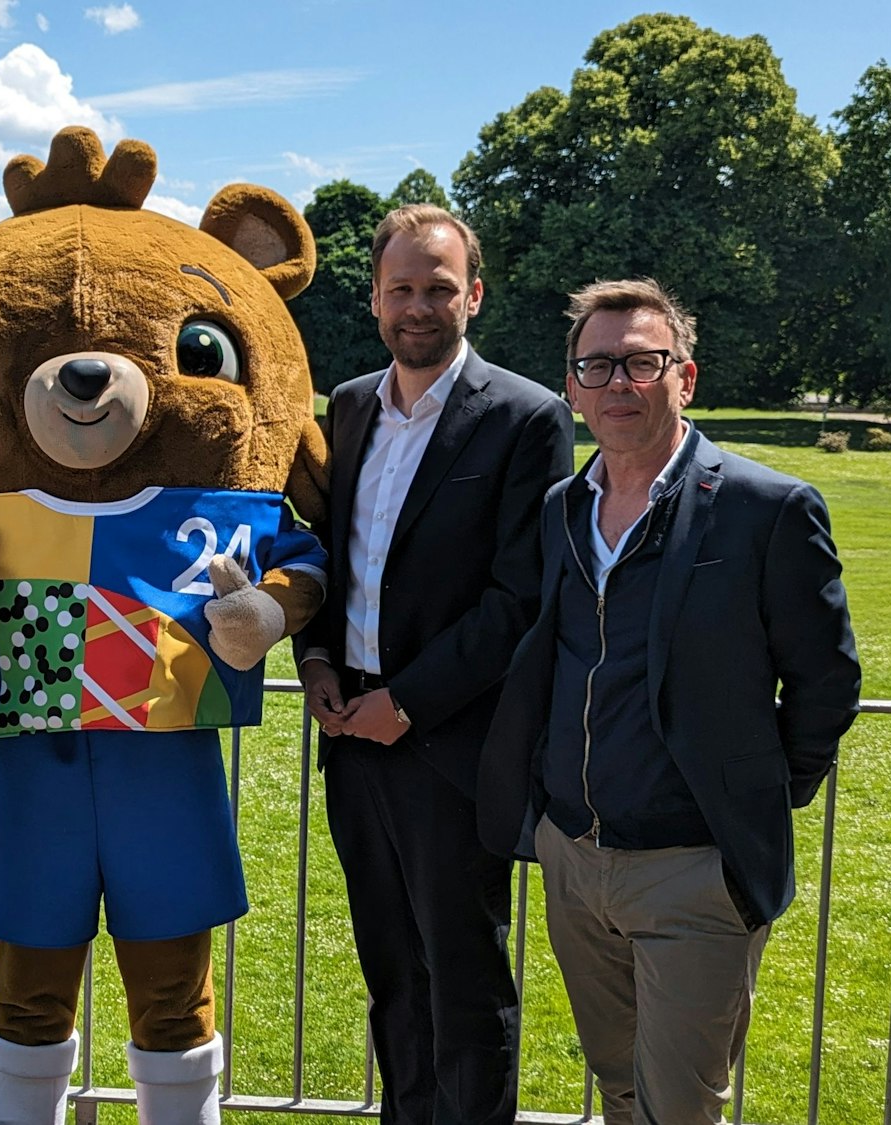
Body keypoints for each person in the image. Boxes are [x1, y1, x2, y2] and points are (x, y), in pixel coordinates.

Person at [478, 278, 860, 1124]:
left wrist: (759, 791)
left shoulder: (767, 509)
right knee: (618, 1087)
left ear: (684, 377)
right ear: (572, 388)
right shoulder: (561, 509)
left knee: (678, 1107)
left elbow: (827, 678)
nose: (619, 382)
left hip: (694, 868)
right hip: (575, 861)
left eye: (642, 362)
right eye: (597, 366)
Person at [294, 203, 573, 1124]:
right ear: (375, 297)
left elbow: (519, 597)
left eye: (439, 288)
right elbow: (332, 554)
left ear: (474, 295)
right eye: (402, 288)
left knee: (464, 982)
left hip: (451, 747)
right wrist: (317, 656)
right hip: (351, 739)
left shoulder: (526, 417)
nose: (419, 306)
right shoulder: (348, 406)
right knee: (392, 977)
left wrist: (407, 701)